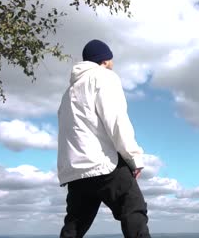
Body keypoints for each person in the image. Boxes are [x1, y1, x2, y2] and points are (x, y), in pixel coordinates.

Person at [57, 39, 151, 238]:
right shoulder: (104, 77)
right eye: (111, 60)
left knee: (74, 226)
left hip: (76, 172)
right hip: (103, 164)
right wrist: (133, 157)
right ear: (105, 60)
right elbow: (116, 120)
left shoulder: (68, 93)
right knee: (134, 210)